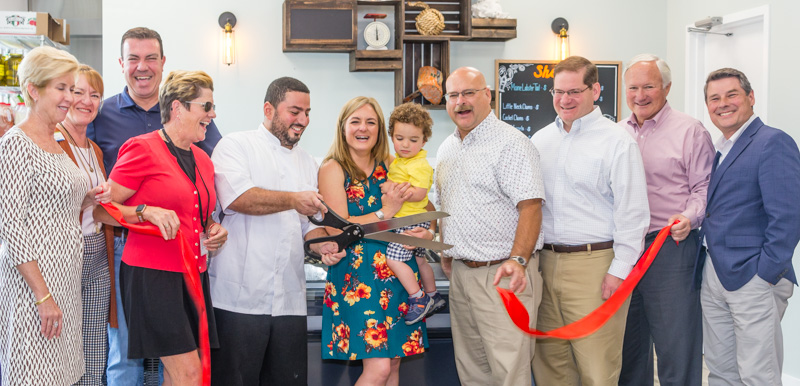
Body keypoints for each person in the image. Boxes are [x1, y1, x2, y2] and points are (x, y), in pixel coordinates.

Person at [86, 27, 222, 385]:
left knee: (191, 373)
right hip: (152, 275)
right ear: (178, 108)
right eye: (206, 106)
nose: (212, 113)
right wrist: (143, 213)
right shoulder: (141, 147)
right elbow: (101, 209)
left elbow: (201, 214)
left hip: (193, 275)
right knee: (186, 372)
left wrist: (214, 230)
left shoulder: (203, 158)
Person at [208, 77, 343, 385]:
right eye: (294, 111)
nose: (303, 120)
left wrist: (322, 246)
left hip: (289, 303)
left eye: (307, 113)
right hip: (237, 300)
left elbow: (308, 227)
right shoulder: (235, 145)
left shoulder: (308, 162)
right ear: (268, 109)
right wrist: (294, 200)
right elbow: (238, 198)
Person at [530, 56, 650, 386]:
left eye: (574, 91)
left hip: (596, 266)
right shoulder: (540, 140)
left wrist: (618, 272)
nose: (564, 100)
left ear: (596, 90)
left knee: (597, 370)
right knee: (550, 367)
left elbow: (634, 213)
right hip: (545, 264)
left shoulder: (617, 142)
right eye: (558, 91)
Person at [0, 46, 110, 386]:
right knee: (34, 375)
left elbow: (57, 199)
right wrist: (43, 296)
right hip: (35, 288)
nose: (69, 98)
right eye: (61, 88)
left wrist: (89, 195)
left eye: (70, 88)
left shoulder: (54, 138)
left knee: (67, 375)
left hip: (66, 282)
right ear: (34, 89)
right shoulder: (17, 143)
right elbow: (11, 226)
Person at [434, 66, 544, 386]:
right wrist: (445, 249)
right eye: (453, 95)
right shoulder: (446, 148)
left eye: (469, 93)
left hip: (503, 274)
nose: (460, 102)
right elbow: (445, 205)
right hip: (462, 275)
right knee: (472, 372)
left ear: (488, 95)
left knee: (510, 372)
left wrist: (518, 260)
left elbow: (531, 206)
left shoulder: (511, 143)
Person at [698, 68, 800, 385]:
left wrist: (765, 273)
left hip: (753, 276)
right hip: (714, 272)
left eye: (732, 95)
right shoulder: (720, 149)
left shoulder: (772, 142)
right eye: (714, 98)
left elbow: (788, 216)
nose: (723, 104)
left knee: (758, 374)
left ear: (750, 98)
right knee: (721, 370)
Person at [617, 54, 714, 386]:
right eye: (633, 87)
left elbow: (703, 188)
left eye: (649, 86)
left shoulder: (690, 130)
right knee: (628, 347)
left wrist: (689, 217)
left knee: (676, 347)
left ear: (667, 88)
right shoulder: (615, 134)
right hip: (624, 251)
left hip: (671, 246)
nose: (640, 95)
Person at [318, 96, 430, 385]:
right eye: (355, 121)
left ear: (381, 129)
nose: (363, 128)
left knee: (392, 366)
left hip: (398, 274)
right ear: (343, 127)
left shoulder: (393, 165)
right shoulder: (333, 168)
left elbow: (426, 208)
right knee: (378, 369)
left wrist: (426, 232)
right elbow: (336, 230)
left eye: (371, 122)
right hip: (358, 279)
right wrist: (386, 212)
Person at [55, 64, 119, 386]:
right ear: (64, 96)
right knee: (63, 345)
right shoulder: (52, 144)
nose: (86, 101)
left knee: (95, 344)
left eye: (95, 95)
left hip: (97, 253)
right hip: (65, 255)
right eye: (78, 92)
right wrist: (85, 202)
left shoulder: (94, 149)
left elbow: (101, 210)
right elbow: (45, 213)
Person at [384, 102, 444, 325]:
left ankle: (418, 298)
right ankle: (432, 294)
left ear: (424, 141)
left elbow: (420, 194)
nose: (406, 145)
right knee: (420, 262)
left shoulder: (418, 165)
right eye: (400, 139)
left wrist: (392, 191)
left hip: (406, 224)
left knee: (394, 259)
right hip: (413, 222)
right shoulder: (401, 161)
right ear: (392, 137)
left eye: (413, 140)